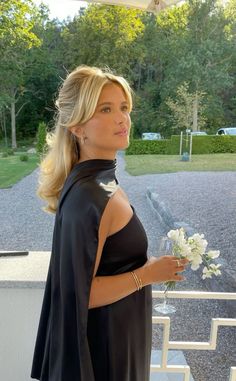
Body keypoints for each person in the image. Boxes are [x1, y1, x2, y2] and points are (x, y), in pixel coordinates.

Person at [31, 65, 188, 381]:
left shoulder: (100, 179)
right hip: (105, 352)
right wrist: (146, 274)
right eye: (106, 109)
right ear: (77, 127)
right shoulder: (90, 195)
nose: (122, 118)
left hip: (121, 337)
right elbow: (79, 295)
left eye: (124, 107)